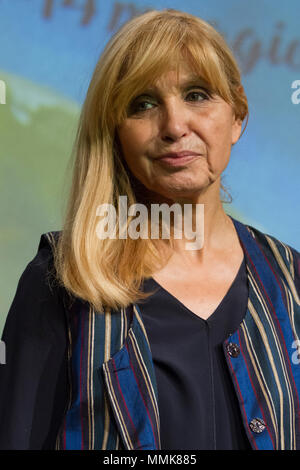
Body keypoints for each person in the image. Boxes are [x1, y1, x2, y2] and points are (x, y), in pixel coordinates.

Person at [0, 8, 299, 451]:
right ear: (115, 132)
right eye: (143, 104)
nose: (175, 127)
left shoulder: (291, 278)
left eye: (197, 95)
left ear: (237, 116)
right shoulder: (61, 280)